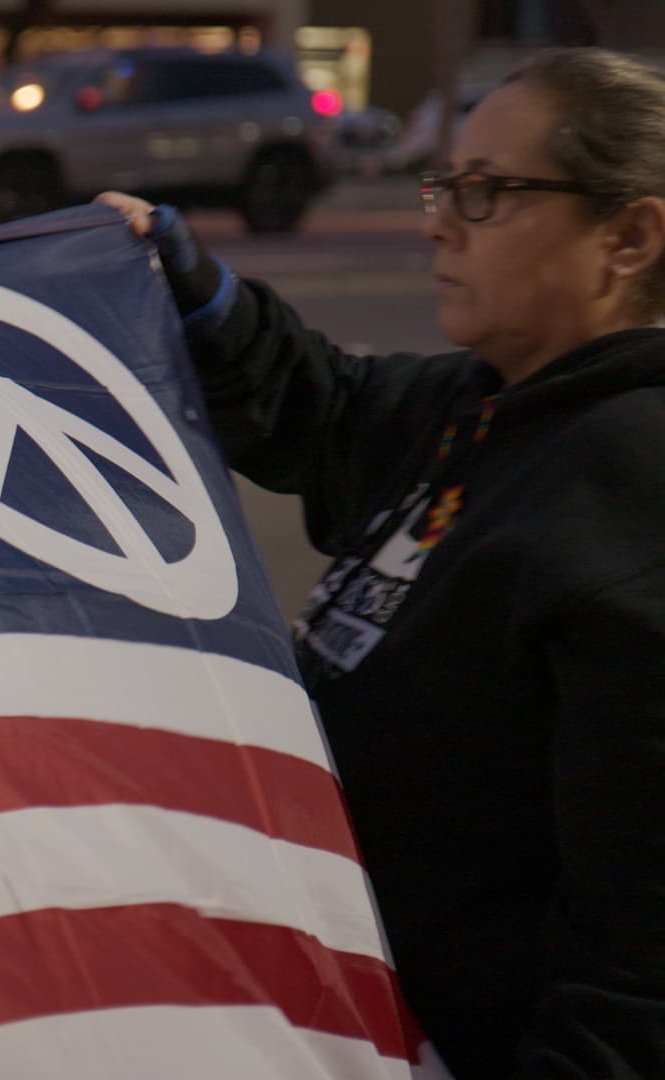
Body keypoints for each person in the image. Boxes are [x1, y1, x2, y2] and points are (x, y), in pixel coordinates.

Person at [97, 47, 665, 1079]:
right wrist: (195, 295)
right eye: (445, 184)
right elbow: (331, 411)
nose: (439, 219)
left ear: (628, 235)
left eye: (489, 192)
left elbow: (642, 964)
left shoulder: (633, 494)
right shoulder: (488, 401)